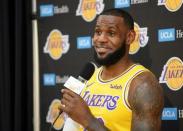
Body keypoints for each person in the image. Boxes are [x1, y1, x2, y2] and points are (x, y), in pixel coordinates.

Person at [60, 8, 164, 131]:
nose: (101, 39)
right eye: (98, 32)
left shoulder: (143, 85)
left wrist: (88, 120)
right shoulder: (87, 77)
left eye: (111, 33)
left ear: (129, 37)